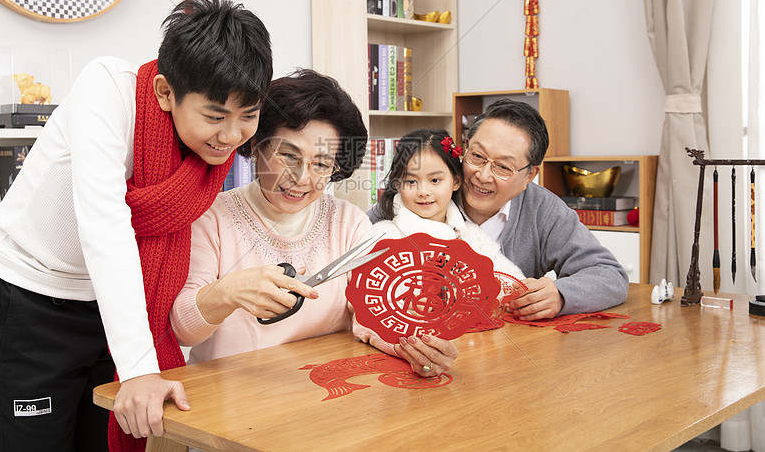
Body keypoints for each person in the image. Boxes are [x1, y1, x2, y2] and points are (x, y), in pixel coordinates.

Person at [0, 0, 273, 452]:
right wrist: (140, 369)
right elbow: (106, 227)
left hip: (107, 307)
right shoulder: (106, 88)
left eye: (247, 116)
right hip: (26, 297)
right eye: (215, 116)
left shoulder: (208, 152)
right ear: (165, 92)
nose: (232, 136)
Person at [169, 69, 458, 377]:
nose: (302, 178)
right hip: (227, 399)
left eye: (321, 164)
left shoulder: (349, 223)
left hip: (320, 395)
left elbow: (371, 316)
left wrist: (417, 348)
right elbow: (181, 329)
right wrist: (228, 292)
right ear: (255, 146)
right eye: (289, 156)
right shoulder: (210, 216)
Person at [369, 99, 629, 320]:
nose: (482, 175)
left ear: (530, 175)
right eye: (477, 157)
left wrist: (561, 295)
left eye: (503, 167)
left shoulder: (543, 209)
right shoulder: (420, 198)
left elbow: (609, 275)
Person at [373, 128, 526, 283]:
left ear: (456, 182)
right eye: (411, 182)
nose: (423, 192)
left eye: (435, 180)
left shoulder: (471, 236)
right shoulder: (383, 236)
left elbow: (512, 281)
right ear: (398, 185)